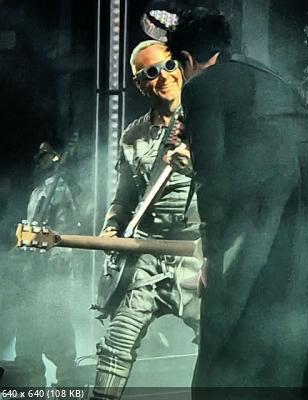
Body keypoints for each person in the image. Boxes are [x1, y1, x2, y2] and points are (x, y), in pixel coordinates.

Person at [167, 7, 308, 398]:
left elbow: (212, 179)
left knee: (247, 308)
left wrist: (212, 256)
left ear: (187, 59)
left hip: (280, 192)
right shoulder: (265, 73)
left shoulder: (200, 86)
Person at [92, 40, 202, 400]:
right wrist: (111, 227)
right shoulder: (132, 136)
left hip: (199, 252)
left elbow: (239, 180)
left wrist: (198, 167)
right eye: (151, 73)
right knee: (116, 344)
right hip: (147, 254)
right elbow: (124, 198)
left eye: (169, 66)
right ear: (140, 84)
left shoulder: (207, 117)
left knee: (222, 341)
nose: (164, 77)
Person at [1, 142, 79, 387]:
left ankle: (67, 383)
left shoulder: (59, 188)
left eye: (44, 158)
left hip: (51, 270)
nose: (39, 162)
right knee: (29, 329)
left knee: (57, 327)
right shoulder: (38, 191)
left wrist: (59, 257)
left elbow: (66, 227)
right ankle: (30, 379)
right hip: (32, 271)